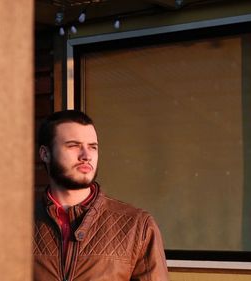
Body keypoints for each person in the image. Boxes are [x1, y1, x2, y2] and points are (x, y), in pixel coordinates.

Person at [33, 110, 169, 281]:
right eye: (74, 146)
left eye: (93, 147)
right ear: (45, 154)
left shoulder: (137, 226)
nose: (86, 156)